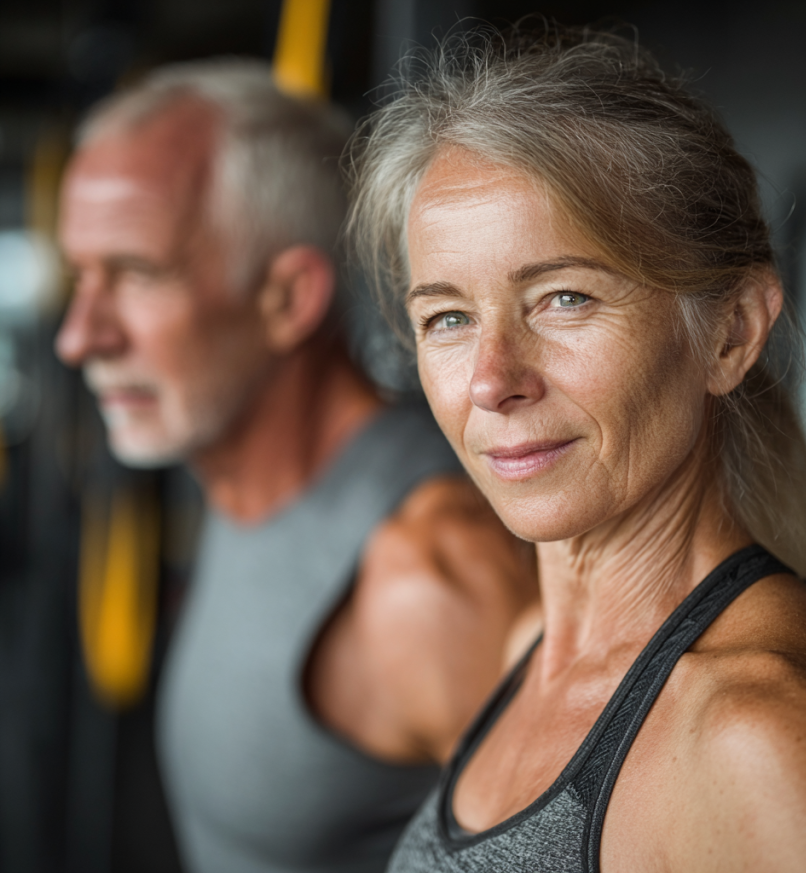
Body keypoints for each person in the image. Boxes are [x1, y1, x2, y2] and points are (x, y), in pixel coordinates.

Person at [348, 26, 806, 872]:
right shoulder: (529, 651)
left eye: (562, 298)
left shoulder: (759, 737)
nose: (492, 379)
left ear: (730, 334)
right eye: (447, 317)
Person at [55, 60, 538, 873]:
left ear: (286, 298)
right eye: (81, 277)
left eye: (136, 274)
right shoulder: (235, 480)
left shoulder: (425, 573)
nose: (80, 336)